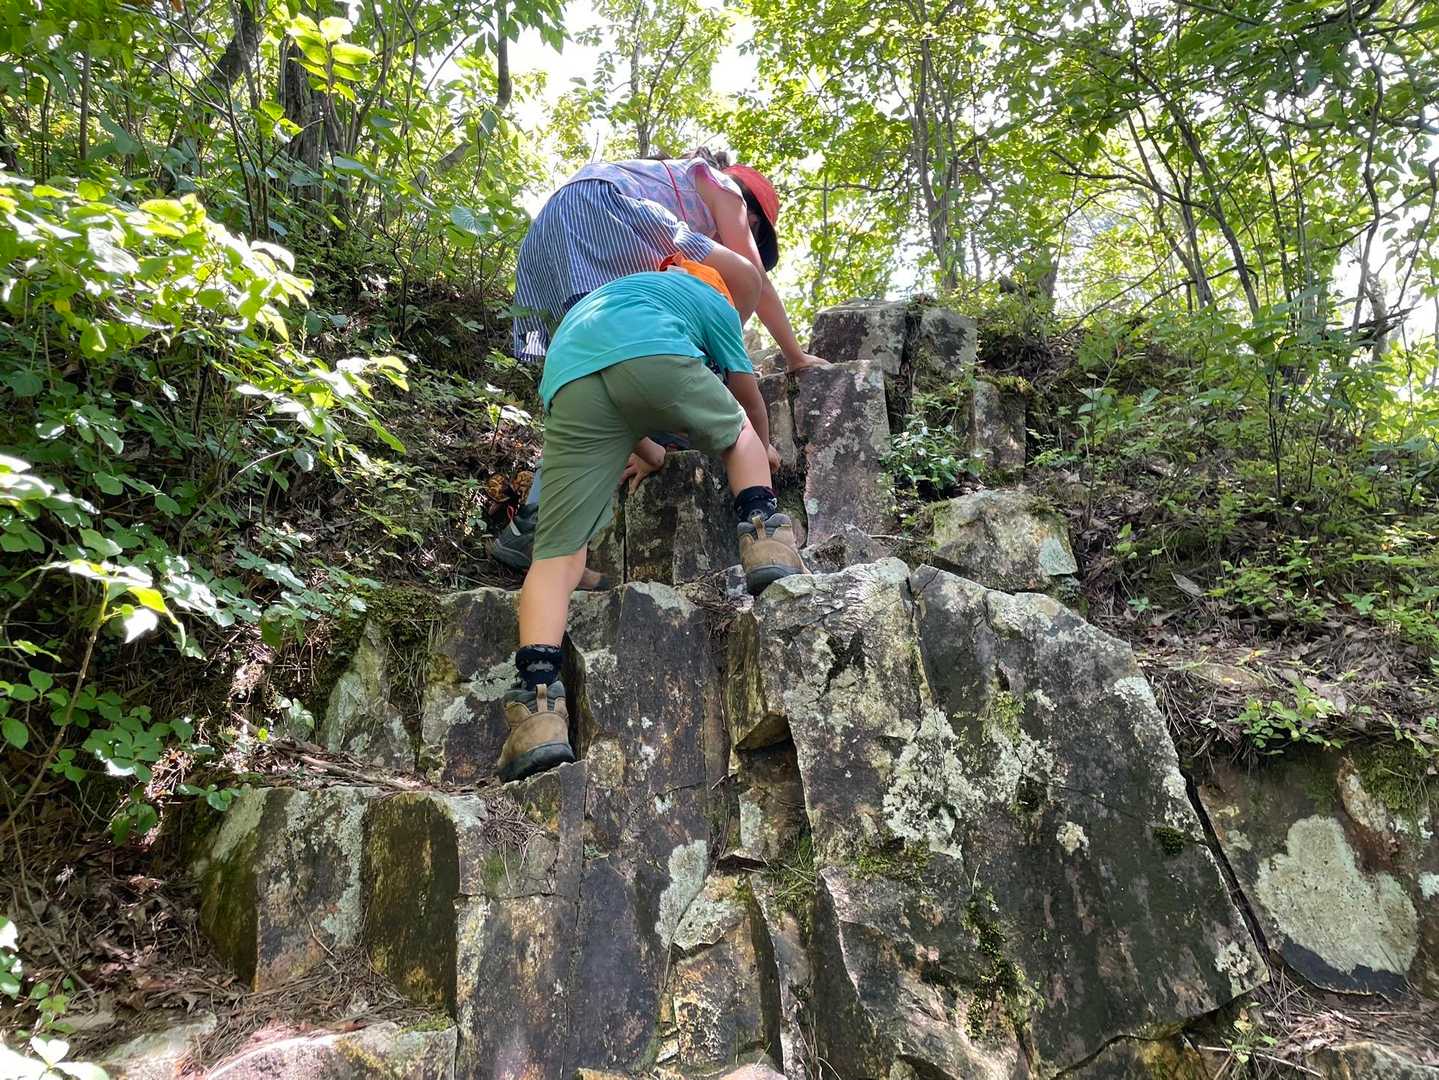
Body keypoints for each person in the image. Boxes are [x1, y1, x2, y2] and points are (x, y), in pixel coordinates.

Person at [495, 257, 808, 783]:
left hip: (568, 375)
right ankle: (764, 538)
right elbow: (745, 392)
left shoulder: (621, 294)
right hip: (652, 352)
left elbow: (619, 388)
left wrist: (653, 455)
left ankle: (538, 712)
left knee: (556, 557)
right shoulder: (712, 297)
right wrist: (763, 444)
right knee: (740, 439)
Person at [493, 151, 826, 583]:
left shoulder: (661, 202)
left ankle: (534, 527)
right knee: (653, 340)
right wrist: (794, 355)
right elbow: (753, 278)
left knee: (591, 368)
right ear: (753, 219)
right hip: (597, 212)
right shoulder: (723, 189)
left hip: (547, 240)